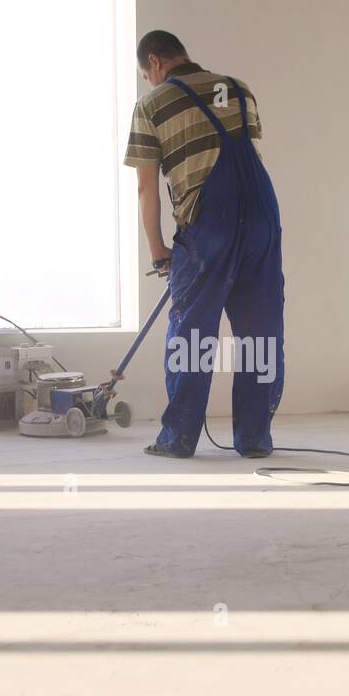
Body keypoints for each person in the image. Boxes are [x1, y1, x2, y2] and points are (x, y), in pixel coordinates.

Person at [123, 30, 284, 459]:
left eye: (145, 74)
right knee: (259, 332)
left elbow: (146, 188)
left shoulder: (152, 104)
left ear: (154, 62)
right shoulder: (238, 88)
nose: (148, 82)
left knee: (192, 336)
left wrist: (158, 251)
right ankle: (253, 439)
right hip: (263, 220)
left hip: (207, 225)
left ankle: (178, 439)